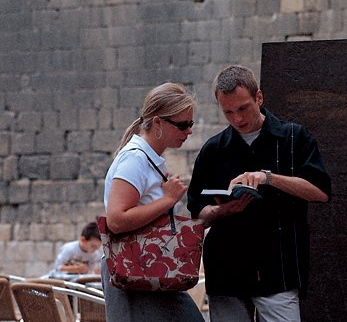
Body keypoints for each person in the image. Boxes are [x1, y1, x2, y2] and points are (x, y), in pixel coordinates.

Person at [187, 65, 331, 322]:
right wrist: (220, 211)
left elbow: (320, 191)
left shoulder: (294, 138)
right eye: (228, 112)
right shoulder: (212, 150)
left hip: (278, 270)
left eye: (243, 108)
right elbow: (197, 210)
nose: (237, 119)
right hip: (226, 271)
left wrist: (269, 178)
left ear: (259, 98)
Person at [102, 83, 204, 322]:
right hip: (135, 269)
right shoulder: (136, 159)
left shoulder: (148, 157)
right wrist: (168, 199)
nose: (188, 131)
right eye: (182, 125)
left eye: (190, 124)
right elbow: (115, 220)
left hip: (150, 268)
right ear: (157, 122)